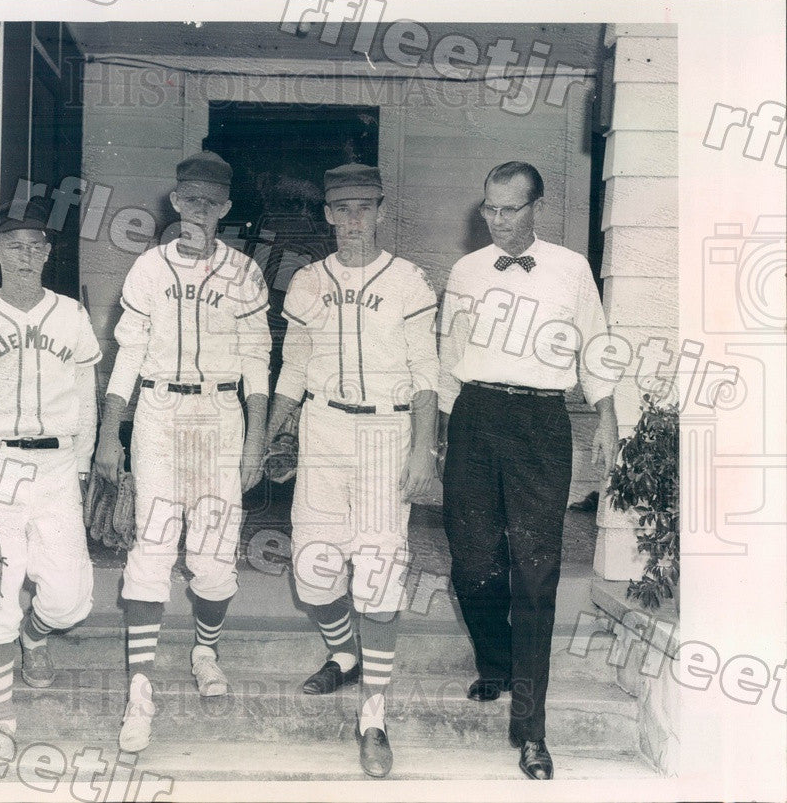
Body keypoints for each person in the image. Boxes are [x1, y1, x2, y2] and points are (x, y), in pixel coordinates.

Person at [437, 161, 619, 780]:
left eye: (510, 209)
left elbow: (596, 346)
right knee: (470, 561)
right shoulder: (464, 271)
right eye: (490, 207)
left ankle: (532, 730)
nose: (497, 219)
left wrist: (609, 422)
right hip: (474, 416)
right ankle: (495, 660)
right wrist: (439, 435)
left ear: (536, 207)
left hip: (542, 424)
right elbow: (446, 359)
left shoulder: (570, 269)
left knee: (537, 573)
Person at [264, 163, 439, 778]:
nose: (352, 220)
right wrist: (273, 431)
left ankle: (374, 715)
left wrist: (423, 453)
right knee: (314, 576)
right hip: (321, 430)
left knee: (379, 577)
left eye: (365, 207)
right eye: (341, 209)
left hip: (384, 436)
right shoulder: (307, 282)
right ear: (328, 214)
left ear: (381, 211)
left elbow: (427, 381)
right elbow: (291, 370)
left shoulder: (410, 282)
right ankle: (344, 656)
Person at [93, 151, 271, 753]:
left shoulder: (245, 272)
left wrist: (256, 440)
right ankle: (139, 689)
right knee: (153, 543)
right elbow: (127, 355)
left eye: (210, 201)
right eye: (188, 198)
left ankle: (205, 652)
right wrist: (107, 436)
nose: (198, 209)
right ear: (174, 201)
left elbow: (257, 364)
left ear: (225, 208)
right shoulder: (147, 268)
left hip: (220, 414)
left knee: (215, 556)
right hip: (160, 412)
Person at [0, 197, 100, 758]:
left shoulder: (70, 315)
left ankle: (36, 638)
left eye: (36, 246)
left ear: (48, 252)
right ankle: (1, 721)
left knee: (69, 599)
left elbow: (85, 400)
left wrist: (82, 467)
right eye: (14, 246)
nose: (26, 256)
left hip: (55, 467)